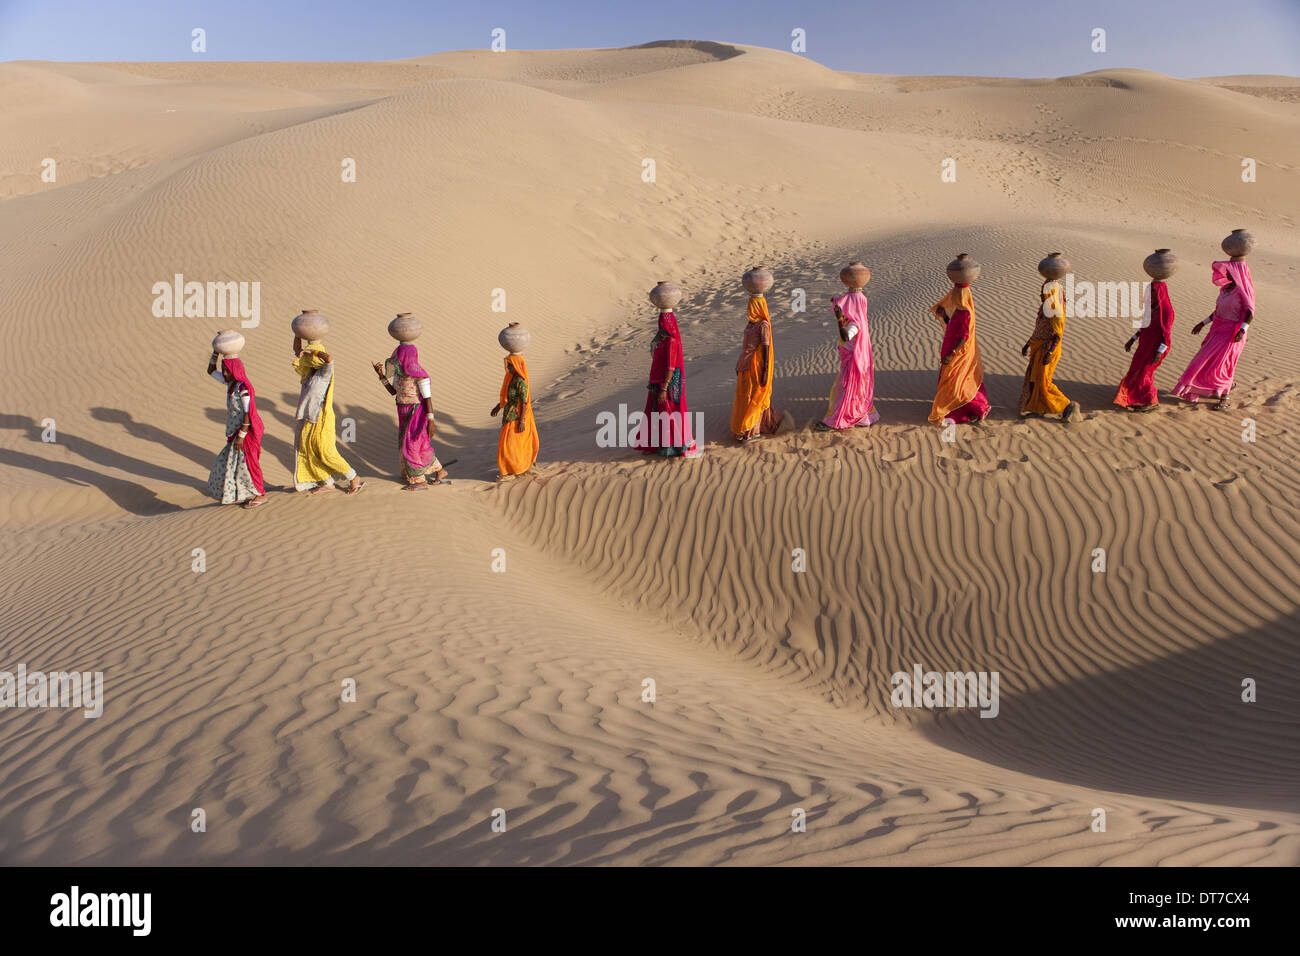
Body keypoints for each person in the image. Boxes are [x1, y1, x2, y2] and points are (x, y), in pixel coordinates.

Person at [1172, 259, 1255, 410]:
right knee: (1201, 361)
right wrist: (1203, 323)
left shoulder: (1243, 291)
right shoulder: (1225, 289)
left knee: (1225, 364)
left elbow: (1250, 313)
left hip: (1232, 333)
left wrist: (1242, 331)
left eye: (1229, 270)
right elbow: (1217, 311)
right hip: (1217, 330)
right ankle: (1221, 386)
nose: (1226, 272)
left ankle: (1224, 398)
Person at [292, 336, 364, 494]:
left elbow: (330, 359)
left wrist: (314, 351)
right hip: (308, 418)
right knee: (308, 450)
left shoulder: (324, 373)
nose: (309, 359)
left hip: (322, 418)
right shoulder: (308, 373)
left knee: (325, 451)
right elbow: (297, 351)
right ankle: (327, 482)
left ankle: (353, 478)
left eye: (311, 358)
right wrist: (297, 334)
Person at [373, 342, 446, 488]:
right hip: (402, 413)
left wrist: (431, 421)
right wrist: (381, 376)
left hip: (416, 414)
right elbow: (394, 392)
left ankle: (419, 480)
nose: (396, 359)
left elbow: (427, 398)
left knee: (412, 444)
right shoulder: (400, 374)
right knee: (413, 445)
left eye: (399, 357)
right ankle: (439, 471)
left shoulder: (420, 375)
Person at [205, 345, 266, 508]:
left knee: (249, 463)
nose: (224, 373)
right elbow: (210, 371)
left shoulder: (243, 388)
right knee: (234, 463)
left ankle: (260, 494)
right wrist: (216, 353)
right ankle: (242, 493)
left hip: (245, 433)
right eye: (224, 370)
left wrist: (242, 436)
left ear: (235, 370)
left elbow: (248, 413)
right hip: (235, 433)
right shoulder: (231, 384)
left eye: (227, 370)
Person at [631, 308, 696, 456]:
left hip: (665, 385)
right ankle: (654, 446)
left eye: (664, 322)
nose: (661, 325)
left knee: (669, 415)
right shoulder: (661, 341)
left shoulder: (671, 342)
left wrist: (664, 388)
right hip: (655, 384)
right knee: (654, 415)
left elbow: (670, 367)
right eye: (660, 321)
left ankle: (675, 448)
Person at [815, 289, 880, 430]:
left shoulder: (855, 325)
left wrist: (839, 319)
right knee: (851, 391)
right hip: (851, 364)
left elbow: (845, 337)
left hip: (852, 366)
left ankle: (838, 419)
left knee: (842, 390)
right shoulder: (853, 321)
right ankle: (858, 416)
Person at [928, 281, 990, 426]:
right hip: (951, 350)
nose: (952, 297)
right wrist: (944, 317)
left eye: (956, 295)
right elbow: (953, 326)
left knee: (958, 382)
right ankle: (953, 407)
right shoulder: (958, 310)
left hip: (959, 354)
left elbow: (964, 336)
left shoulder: (966, 312)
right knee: (953, 381)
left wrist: (952, 352)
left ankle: (968, 409)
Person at [1018, 274, 1077, 419]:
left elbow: (1058, 334)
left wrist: (1049, 353)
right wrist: (1027, 344)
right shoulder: (1044, 308)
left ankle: (1067, 405)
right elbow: (1039, 328)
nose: (1041, 294)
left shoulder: (1055, 310)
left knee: (1044, 382)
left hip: (1047, 350)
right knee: (1034, 380)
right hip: (1037, 348)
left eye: (1044, 292)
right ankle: (1038, 408)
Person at [1115, 276, 1175, 412]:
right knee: (1136, 370)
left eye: (1153, 292)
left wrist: (1160, 352)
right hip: (1144, 345)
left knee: (1146, 373)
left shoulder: (1166, 311)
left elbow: (1166, 335)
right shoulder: (1151, 307)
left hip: (1156, 347)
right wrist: (1133, 339)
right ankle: (1137, 398)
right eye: (1150, 291)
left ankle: (1150, 401)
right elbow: (1144, 326)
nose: (1150, 295)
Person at [730, 293, 781, 442]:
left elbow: (766, 348)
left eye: (752, 305)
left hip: (756, 367)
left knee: (754, 397)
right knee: (744, 396)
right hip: (745, 364)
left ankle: (753, 431)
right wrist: (740, 363)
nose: (749, 308)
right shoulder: (750, 324)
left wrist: (765, 371)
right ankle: (745, 428)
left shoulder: (763, 325)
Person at [491, 351, 541, 478]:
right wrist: (498, 407)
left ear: (517, 366)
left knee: (510, 447)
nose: (508, 368)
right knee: (507, 447)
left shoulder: (521, 382)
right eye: (508, 365)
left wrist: (522, 421)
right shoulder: (510, 378)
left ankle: (514, 470)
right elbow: (507, 397)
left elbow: (524, 403)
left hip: (517, 418)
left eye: (510, 365)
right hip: (509, 416)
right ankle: (510, 470)